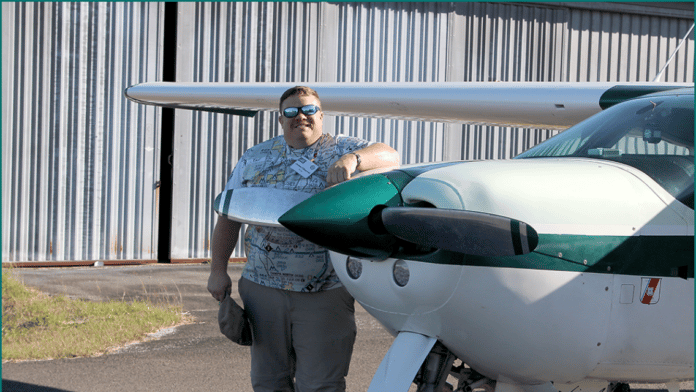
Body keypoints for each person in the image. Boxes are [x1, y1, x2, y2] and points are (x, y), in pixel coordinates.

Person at [207, 86, 400, 392]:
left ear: (321, 115)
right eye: (291, 111)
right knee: (269, 382)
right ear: (280, 119)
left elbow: (390, 154)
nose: (301, 116)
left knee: (320, 384)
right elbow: (229, 215)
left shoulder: (341, 148)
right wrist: (218, 270)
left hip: (325, 292)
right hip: (263, 289)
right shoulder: (254, 158)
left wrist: (352, 160)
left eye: (309, 110)